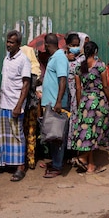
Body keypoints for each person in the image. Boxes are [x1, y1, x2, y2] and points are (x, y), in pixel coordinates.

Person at [70, 41, 109, 174]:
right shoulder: (100, 66)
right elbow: (105, 86)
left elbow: (78, 88)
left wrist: (79, 104)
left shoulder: (79, 68)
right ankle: (83, 159)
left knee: (88, 133)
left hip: (84, 102)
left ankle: (91, 165)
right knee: (94, 133)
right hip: (98, 102)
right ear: (95, 52)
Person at [0, 31, 31, 182]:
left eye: (11, 42)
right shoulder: (7, 58)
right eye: (7, 41)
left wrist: (18, 105)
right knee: (6, 137)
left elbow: (26, 84)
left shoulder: (23, 59)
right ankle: (9, 163)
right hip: (4, 103)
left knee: (17, 136)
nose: (8, 44)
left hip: (15, 104)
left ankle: (20, 167)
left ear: (18, 44)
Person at [40, 32, 69, 178]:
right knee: (51, 134)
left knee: (57, 136)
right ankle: (55, 162)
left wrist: (58, 101)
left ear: (46, 45)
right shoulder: (54, 57)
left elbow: (62, 80)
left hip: (56, 103)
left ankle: (57, 166)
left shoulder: (59, 58)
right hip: (50, 102)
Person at [19, 43, 42, 170]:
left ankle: (21, 158)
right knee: (31, 132)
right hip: (32, 105)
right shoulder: (34, 70)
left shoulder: (21, 70)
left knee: (21, 131)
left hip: (22, 105)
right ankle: (31, 160)